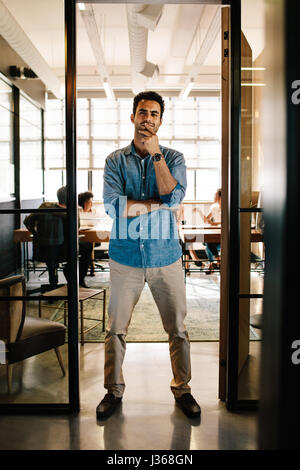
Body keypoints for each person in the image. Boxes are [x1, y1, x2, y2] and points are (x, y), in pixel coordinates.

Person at [96, 91, 201, 420]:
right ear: (132, 117)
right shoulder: (115, 160)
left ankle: (182, 389)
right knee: (115, 330)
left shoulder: (173, 157)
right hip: (125, 257)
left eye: (154, 114)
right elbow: (114, 207)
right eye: (142, 112)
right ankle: (113, 391)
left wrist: (156, 157)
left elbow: (173, 198)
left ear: (160, 120)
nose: (148, 119)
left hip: (165, 257)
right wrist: (158, 206)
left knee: (178, 330)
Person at [24, 186, 68, 289]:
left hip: (44, 246)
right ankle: (70, 286)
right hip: (62, 249)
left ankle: (53, 283)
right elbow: (77, 227)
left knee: (52, 260)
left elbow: (27, 221)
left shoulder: (45, 206)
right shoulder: (68, 212)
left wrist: (36, 234)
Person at [78, 191, 97, 277]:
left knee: (90, 242)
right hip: (80, 233)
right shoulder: (78, 211)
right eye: (89, 202)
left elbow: (96, 223)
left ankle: (91, 266)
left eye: (91, 201)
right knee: (88, 244)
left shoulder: (94, 211)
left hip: (91, 232)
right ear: (83, 203)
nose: (91, 204)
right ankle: (91, 266)